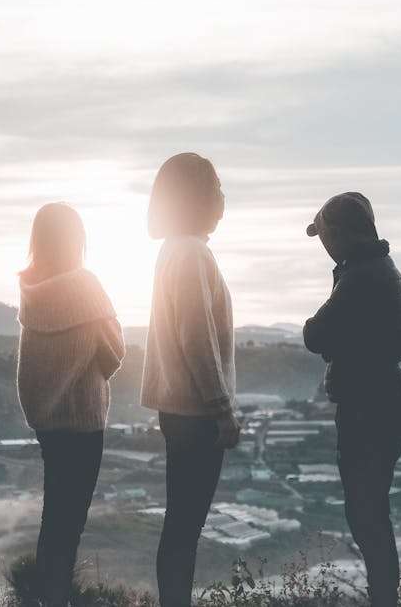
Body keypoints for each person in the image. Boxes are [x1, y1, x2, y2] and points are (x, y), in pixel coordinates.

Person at [141, 153, 241, 607]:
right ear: (198, 197)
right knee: (185, 527)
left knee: (180, 524)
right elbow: (198, 339)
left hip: (178, 409)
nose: (223, 198)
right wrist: (222, 411)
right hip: (195, 413)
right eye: (217, 188)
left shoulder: (174, 250)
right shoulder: (191, 253)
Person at [302, 192, 401, 607]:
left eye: (325, 235)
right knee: (369, 510)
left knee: (366, 514)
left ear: (344, 233)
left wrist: (331, 334)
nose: (323, 244)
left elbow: (316, 334)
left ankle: (384, 597)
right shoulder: (374, 269)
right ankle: (384, 595)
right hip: (379, 401)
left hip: (369, 407)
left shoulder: (360, 275)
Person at [16, 202, 126, 607]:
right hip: (82, 419)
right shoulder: (85, 285)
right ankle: (55, 598)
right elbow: (114, 350)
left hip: (46, 420)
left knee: (54, 515)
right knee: (70, 521)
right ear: (76, 238)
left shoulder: (30, 288)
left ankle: (45, 596)